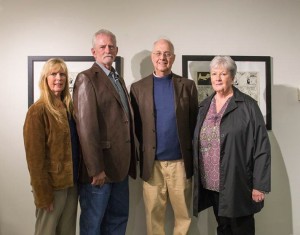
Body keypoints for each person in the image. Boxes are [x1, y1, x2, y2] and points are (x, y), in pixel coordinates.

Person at [193, 55, 271, 235]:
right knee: (223, 228)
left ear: (232, 77)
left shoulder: (248, 106)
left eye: (223, 73)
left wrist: (259, 184)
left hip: (237, 181)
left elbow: (261, 146)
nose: (218, 78)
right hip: (211, 183)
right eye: (214, 74)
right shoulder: (204, 105)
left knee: (241, 229)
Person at [130, 38, 198, 235]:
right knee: (153, 218)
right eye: (158, 53)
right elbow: (136, 127)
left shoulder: (188, 86)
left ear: (173, 58)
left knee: (183, 216)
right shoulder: (138, 88)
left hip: (180, 164)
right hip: (152, 165)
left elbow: (194, 123)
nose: (162, 58)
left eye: (167, 54)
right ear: (152, 57)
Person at [72, 29, 137, 235]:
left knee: (118, 221)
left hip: (120, 168)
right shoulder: (86, 79)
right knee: (93, 225)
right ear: (94, 51)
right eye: (102, 47)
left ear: (116, 49)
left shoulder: (118, 79)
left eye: (111, 46)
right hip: (99, 172)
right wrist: (95, 169)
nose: (107, 50)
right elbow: (86, 128)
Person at [23, 58, 79, 235]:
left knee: (67, 232)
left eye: (62, 74)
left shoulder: (69, 109)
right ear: (45, 79)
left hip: (71, 185)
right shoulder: (37, 111)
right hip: (52, 188)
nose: (58, 78)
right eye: (53, 74)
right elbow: (34, 160)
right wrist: (43, 195)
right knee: (46, 231)